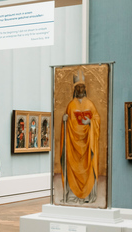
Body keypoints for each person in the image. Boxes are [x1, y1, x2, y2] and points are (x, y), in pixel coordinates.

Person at [59, 70, 100, 204]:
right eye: (78, 87)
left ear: (85, 89)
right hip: (73, 144)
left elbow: (97, 118)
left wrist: (91, 122)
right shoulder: (71, 105)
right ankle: (72, 195)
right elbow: (67, 121)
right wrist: (64, 120)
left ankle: (87, 196)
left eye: (82, 87)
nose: (80, 89)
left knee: (87, 168)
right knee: (72, 168)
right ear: (75, 89)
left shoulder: (90, 104)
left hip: (87, 143)